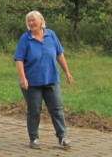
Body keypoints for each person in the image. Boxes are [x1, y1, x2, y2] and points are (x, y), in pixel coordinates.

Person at [14, 10, 74, 149]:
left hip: (51, 79)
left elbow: (59, 54)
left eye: (33, 20)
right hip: (32, 82)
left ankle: (62, 137)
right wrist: (22, 78)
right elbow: (19, 59)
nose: (31, 23)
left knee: (57, 108)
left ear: (41, 21)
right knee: (34, 110)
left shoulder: (51, 35)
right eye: (29, 21)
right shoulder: (25, 38)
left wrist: (67, 72)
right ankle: (34, 138)